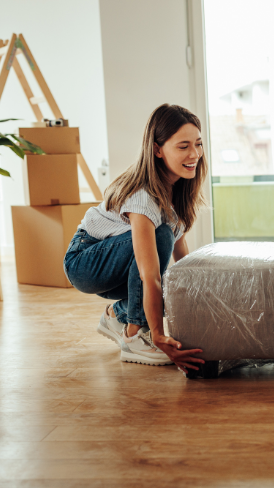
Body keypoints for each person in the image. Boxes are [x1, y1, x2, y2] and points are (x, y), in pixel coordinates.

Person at [63, 104, 206, 373]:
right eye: (183, 146)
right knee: (159, 241)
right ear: (157, 149)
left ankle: (117, 315)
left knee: (170, 285)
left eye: (198, 144)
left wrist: (197, 292)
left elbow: (181, 257)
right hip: (85, 262)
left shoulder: (177, 190)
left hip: (116, 264)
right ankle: (133, 335)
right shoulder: (143, 196)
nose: (195, 154)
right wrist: (157, 333)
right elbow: (148, 275)